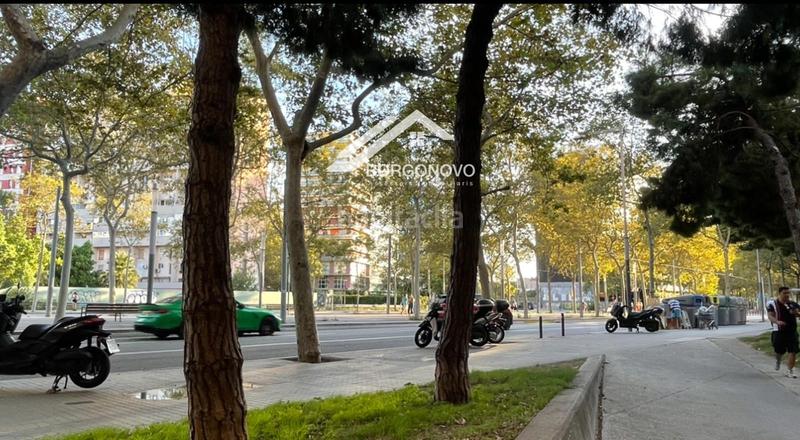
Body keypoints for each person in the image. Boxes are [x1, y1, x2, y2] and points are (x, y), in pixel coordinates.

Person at [767, 286, 800, 378]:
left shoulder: (793, 304)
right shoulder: (772, 304)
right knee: (779, 351)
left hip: (792, 331)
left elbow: (798, 314)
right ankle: (778, 360)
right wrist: (777, 321)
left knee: (792, 351)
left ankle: (790, 371)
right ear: (779, 294)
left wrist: (796, 313)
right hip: (779, 331)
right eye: (784, 293)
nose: (787, 295)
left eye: (788, 293)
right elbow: (770, 316)